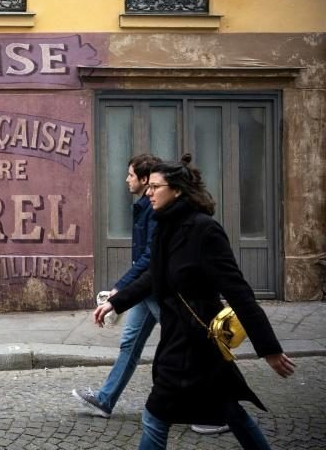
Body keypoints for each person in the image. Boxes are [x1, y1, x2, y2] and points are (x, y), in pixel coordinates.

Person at [94, 154, 296, 450]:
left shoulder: (204, 230)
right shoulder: (165, 227)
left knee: (155, 416)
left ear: (176, 190)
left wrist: (269, 348)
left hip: (196, 343)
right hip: (179, 338)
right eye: (148, 186)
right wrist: (117, 301)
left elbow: (240, 293)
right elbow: (153, 275)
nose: (148, 192)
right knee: (230, 411)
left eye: (155, 187)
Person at [72, 154, 161, 418]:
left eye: (131, 175)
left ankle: (215, 411)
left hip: (156, 289)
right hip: (144, 290)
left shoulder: (154, 209)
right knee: (130, 344)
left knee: (185, 347)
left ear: (144, 179)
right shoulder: (145, 206)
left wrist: (122, 286)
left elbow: (150, 256)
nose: (126, 180)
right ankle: (105, 400)